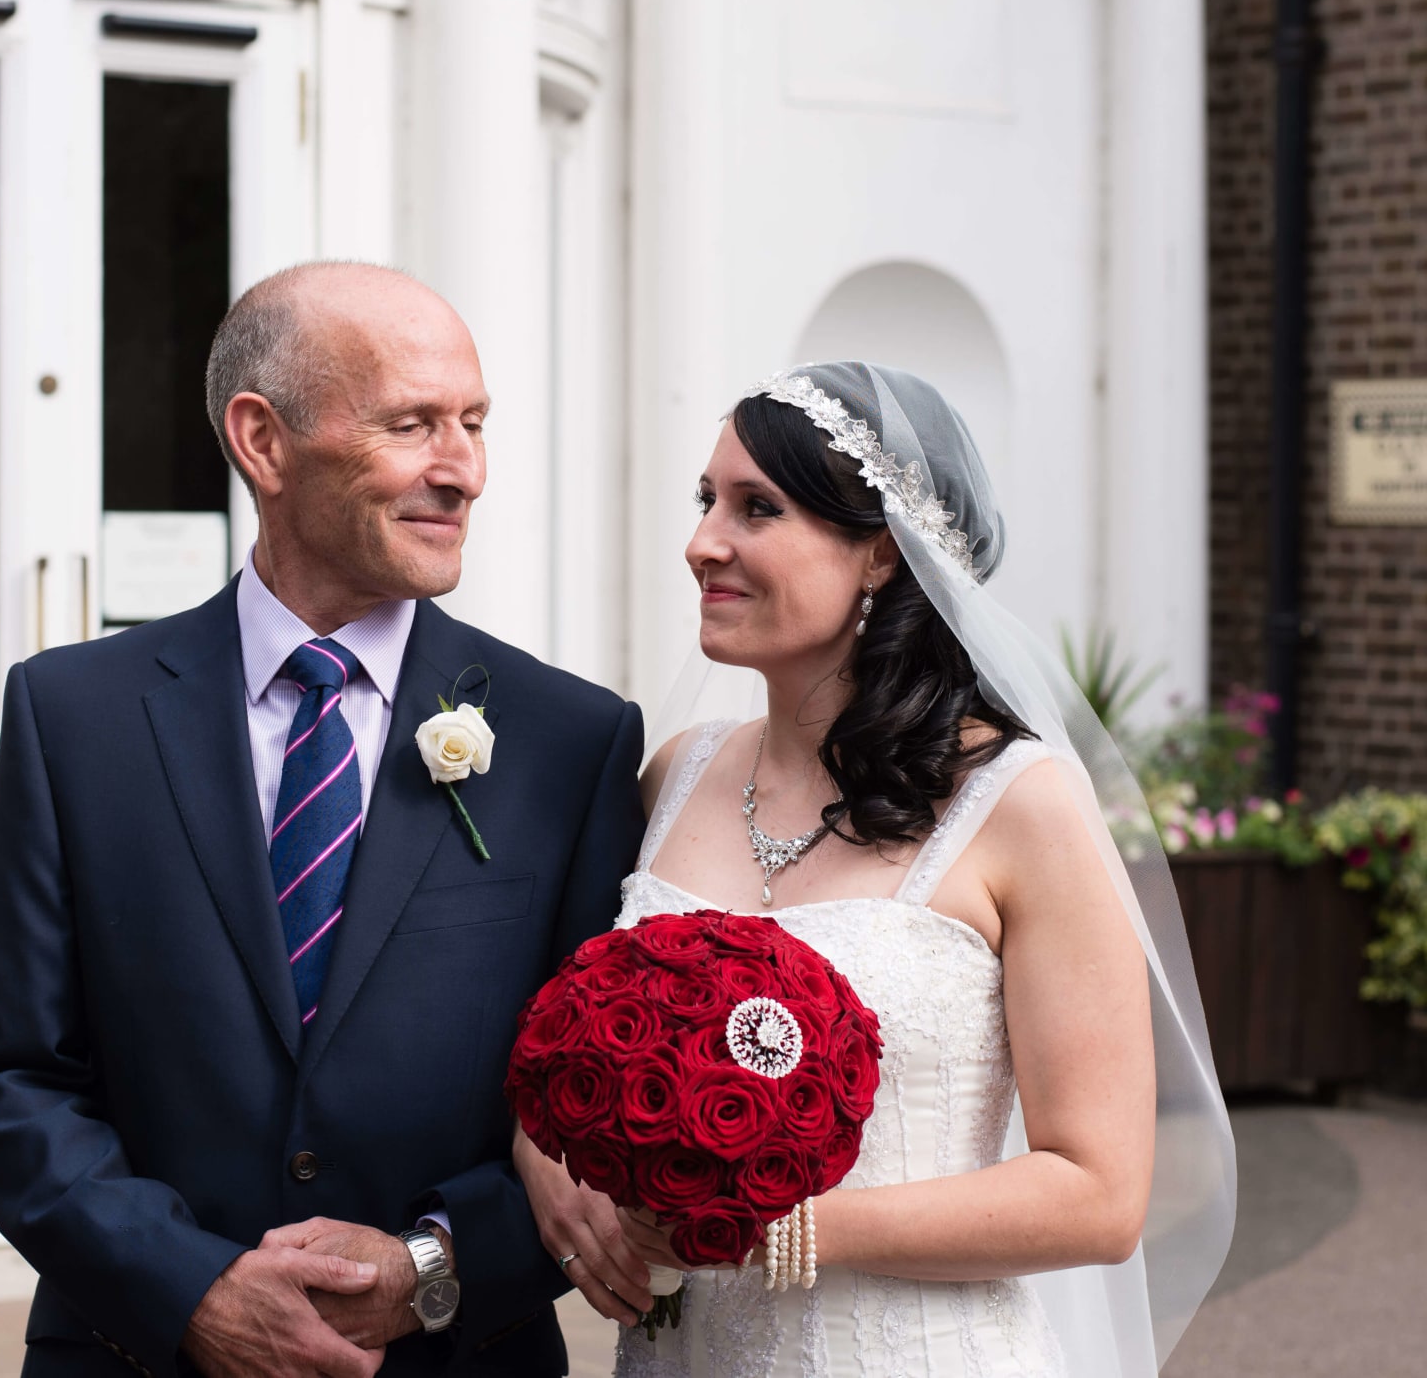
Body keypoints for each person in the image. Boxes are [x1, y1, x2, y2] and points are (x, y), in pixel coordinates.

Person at [0, 262, 647, 1378]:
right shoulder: (74, 716)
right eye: (412, 422)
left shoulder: (572, 739)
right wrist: (193, 1288)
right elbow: (3, 1070)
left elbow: (597, 1109)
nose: (460, 468)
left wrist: (429, 1265)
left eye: (472, 422)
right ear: (262, 441)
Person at [517, 362, 1234, 1377]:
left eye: (756, 507)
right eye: (705, 500)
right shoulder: (674, 778)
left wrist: (782, 1226)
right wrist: (552, 1157)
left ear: (881, 557)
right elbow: (557, 1034)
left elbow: (1099, 1191)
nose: (701, 541)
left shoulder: (1017, 803)